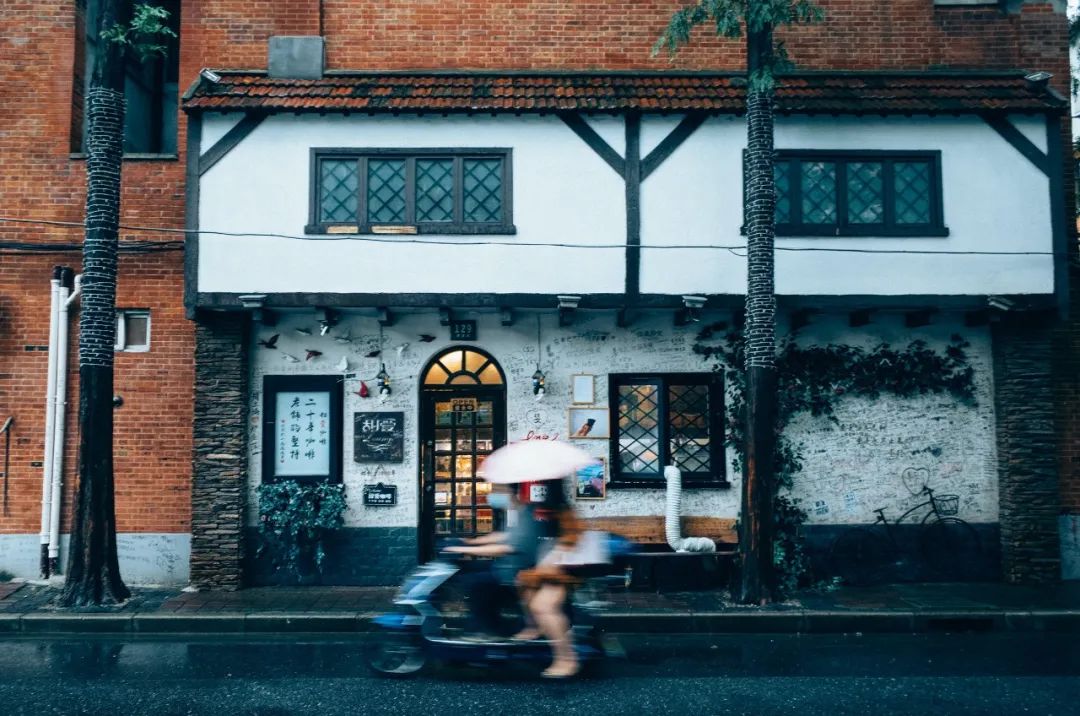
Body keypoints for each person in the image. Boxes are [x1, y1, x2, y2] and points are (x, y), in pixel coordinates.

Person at [444, 484, 541, 640]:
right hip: (507, 566)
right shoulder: (514, 512)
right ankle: (485, 624)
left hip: (515, 571)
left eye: (498, 490)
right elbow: (503, 536)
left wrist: (465, 550)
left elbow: (507, 547)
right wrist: (471, 542)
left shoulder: (526, 515)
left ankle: (484, 629)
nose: (493, 494)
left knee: (475, 583)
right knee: (469, 570)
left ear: (511, 492)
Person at [515, 477, 584, 679]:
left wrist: (552, 559)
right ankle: (534, 627)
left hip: (563, 570)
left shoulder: (561, 510)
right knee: (523, 582)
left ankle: (567, 659)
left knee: (543, 606)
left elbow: (570, 539)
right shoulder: (540, 509)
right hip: (549, 568)